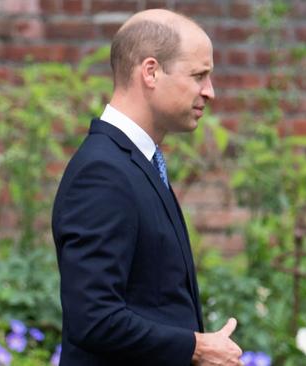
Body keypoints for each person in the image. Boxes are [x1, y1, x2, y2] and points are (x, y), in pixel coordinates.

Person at [52, 9, 243, 366]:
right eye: (199, 75)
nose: (210, 92)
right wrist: (196, 347)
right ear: (151, 72)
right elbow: (92, 318)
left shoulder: (134, 163)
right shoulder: (103, 172)